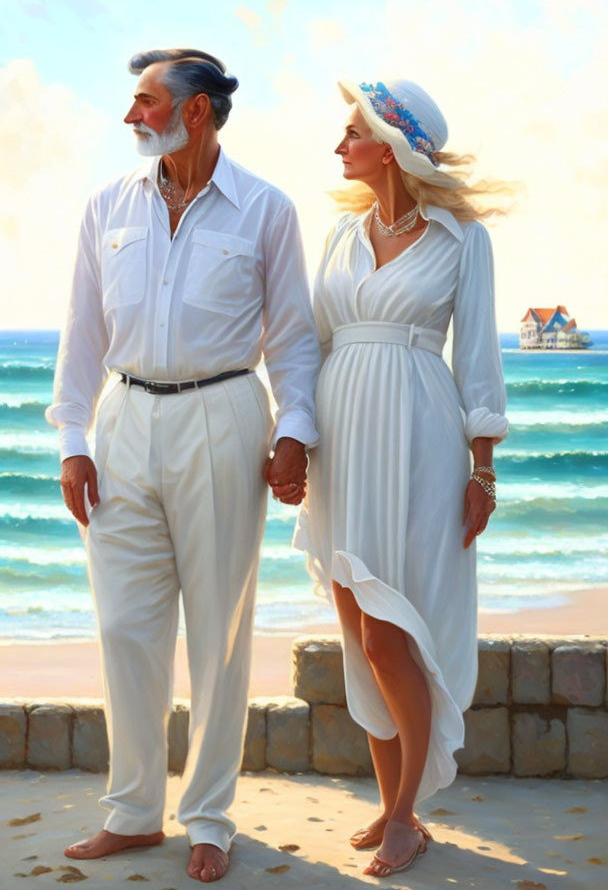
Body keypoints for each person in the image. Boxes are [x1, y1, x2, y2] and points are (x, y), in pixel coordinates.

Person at [46, 48, 319, 883]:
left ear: (193, 111)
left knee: (218, 634)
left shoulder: (266, 210)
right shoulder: (107, 206)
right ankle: (133, 811)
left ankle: (209, 817)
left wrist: (293, 430)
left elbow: (295, 339)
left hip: (225, 415)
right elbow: (82, 335)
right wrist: (72, 440)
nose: (132, 115)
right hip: (125, 417)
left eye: (146, 101)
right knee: (126, 626)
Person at [294, 79, 509, 878]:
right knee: (360, 637)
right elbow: (311, 345)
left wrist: (483, 469)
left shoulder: (461, 239)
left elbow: (478, 357)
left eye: (351, 132)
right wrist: (295, 437)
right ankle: (392, 807)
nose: (339, 145)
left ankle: (407, 815)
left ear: (389, 144)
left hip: (420, 442)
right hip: (343, 447)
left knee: (393, 635)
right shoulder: (339, 237)